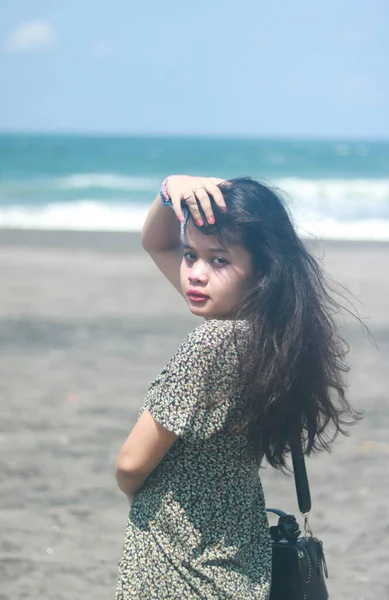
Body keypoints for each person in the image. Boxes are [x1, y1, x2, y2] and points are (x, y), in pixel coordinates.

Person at [114, 175, 364, 600]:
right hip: (238, 562)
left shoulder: (215, 342)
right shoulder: (276, 334)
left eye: (219, 260)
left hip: (179, 566)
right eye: (190, 254)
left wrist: (139, 489)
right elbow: (157, 242)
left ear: (262, 271)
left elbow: (131, 465)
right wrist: (170, 192)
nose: (195, 273)